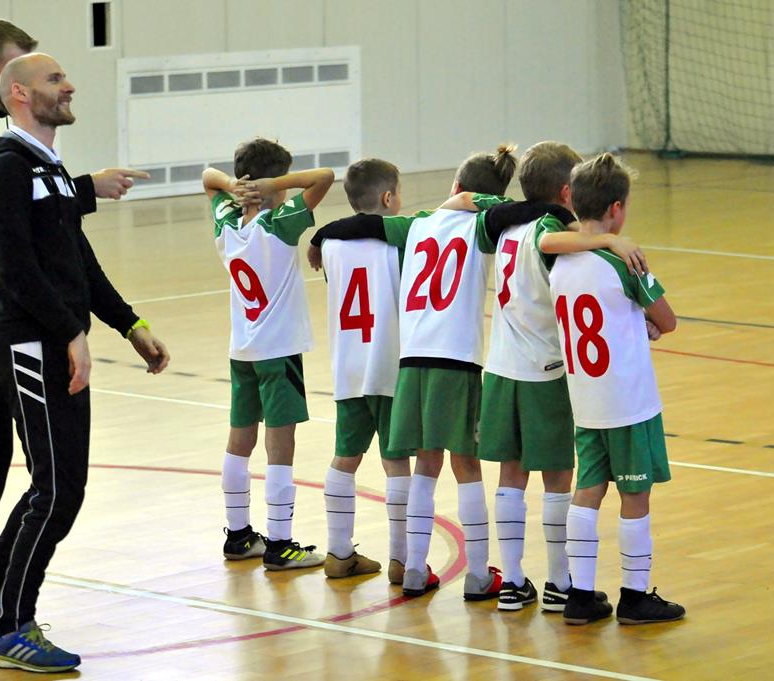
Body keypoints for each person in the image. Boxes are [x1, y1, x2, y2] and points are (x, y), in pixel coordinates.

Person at [0, 19, 149, 614]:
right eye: (43, 73)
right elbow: (4, 219)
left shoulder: (10, 142)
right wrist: (85, 188)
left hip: (3, 310)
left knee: (27, 463)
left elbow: (49, 232)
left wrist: (126, 322)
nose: (66, 86)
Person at [0, 53, 170, 672]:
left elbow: (77, 260)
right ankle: (13, 629)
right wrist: (71, 331)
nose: (69, 87)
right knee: (58, 491)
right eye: (54, 80)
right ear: (20, 94)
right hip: (30, 344)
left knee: (56, 484)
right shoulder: (6, 166)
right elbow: (14, 268)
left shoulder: (48, 167)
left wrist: (129, 324)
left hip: (52, 341)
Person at [309, 145, 577, 601]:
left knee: (425, 464)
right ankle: (479, 574)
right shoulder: (484, 223)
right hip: (456, 358)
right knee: (465, 464)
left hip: (411, 359)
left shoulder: (417, 223)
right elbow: (523, 212)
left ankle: (414, 568)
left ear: (455, 185)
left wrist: (320, 235)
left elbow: (364, 223)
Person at [442, 141, 644, 613]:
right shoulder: (552, 231)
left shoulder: (505, 226)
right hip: (545, 370)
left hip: (502, 368)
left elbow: (466, 203)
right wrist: (608, 240)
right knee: (557, 477)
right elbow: (560, 251)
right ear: (567, 192)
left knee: (511, 475)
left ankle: (513, 581)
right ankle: (558, 582)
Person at [547, 153, 685, 625]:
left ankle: (580, 597)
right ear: (617, 208)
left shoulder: (560, 261)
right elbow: (668, 320)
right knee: (635, 496)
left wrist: (633, 322)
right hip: (628, 401)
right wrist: (648, 320)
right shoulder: (623, 261)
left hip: (586, 398)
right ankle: (634, 596)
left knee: (587, 491)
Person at [203, 139, 334, 571]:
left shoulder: (227, 222)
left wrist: (233, 186)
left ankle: (239, 535)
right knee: (281, 443)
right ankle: (280, 542)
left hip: (242, 349)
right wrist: (274, 185)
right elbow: (325, 177)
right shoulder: (279, 223)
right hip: (279, 351)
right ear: (275, 184)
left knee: (240, 438)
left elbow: (208, 178)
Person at [314, 159, 413, 581]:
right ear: (388, 198)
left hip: (348, 366)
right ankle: (402, 560)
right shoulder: (399, 243)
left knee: (344, 458)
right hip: (389, 365)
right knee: (396, 463)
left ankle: (338, 553)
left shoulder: (330, 246)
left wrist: (319, 234)